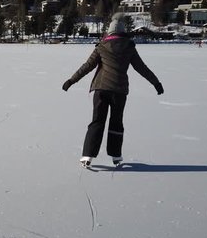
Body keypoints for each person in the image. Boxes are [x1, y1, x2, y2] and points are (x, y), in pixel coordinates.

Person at [62, 13, 164, 168]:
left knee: (97, 121)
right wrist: (156, 83)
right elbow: (142, 68)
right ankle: (116, 155)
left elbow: (87, 66)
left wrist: (71, 81)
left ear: (109, 32)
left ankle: (88, 155)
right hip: (119, 91)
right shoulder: (129, 48)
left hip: (101, 89)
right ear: (123, 32)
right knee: (116, 122)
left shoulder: (102, 47)